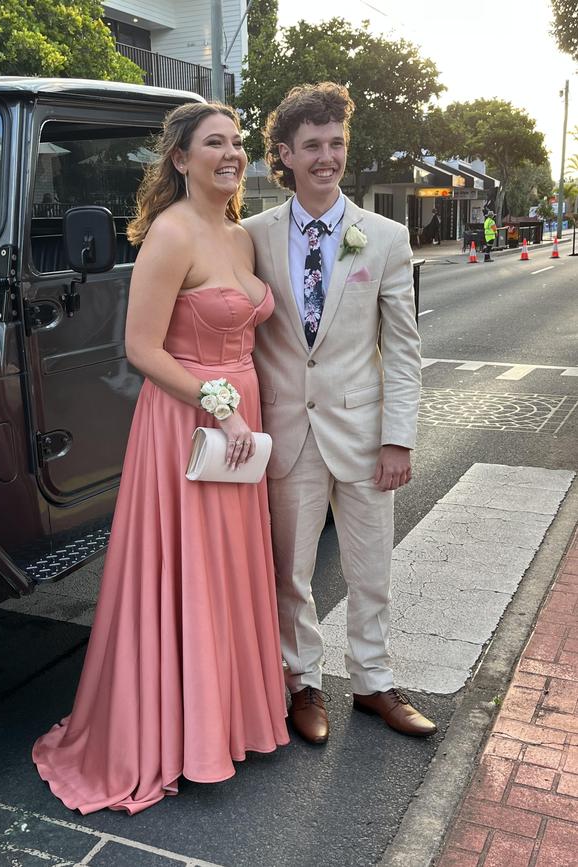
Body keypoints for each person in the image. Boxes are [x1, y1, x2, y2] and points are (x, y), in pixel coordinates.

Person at [33, 102, 289, 814]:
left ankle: (228, 723)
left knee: (230, 569)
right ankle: (177, 735)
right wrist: (220, 404)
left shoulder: (238, 235)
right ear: (180, 158)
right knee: (189, 573)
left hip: (240, 422)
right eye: (215, 143)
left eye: (237, 142)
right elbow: (141, 350)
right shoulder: (171, 235)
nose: (232, 153)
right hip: (188, 425)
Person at [243, 82, 437, 744]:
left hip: (363, 434)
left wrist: (399, 439)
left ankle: (373, 682)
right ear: (285, 155)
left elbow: (404, 350)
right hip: (288, 432)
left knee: (370, 570)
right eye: (313, 146)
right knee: (290, 575)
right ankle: (302, 683)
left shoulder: (382, 237)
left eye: (337, 143)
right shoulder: (252, 237)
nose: (328, 157)